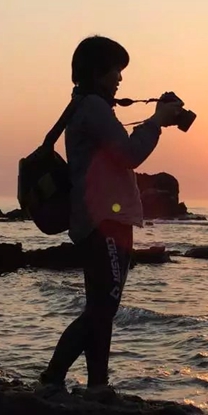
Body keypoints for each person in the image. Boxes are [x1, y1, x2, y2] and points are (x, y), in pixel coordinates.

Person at [40, 36, 182, 392]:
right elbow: (129, 154)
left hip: (99, 219)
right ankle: (52, 378)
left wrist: (155, 120)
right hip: (105, 221)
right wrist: (156, 122)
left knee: (101, 308)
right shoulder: (93, 107)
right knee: (102, 309)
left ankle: (97, 385)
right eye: (116, 70)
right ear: (97, 71)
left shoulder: (88, 105)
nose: (120, 78)